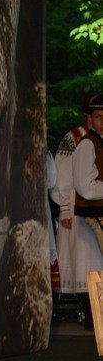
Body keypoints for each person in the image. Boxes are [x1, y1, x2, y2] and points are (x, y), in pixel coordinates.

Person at [51, 93, 103, 307]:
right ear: (88, 116)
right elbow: (61, 176)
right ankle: (89, 309)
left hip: (97, 205)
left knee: (96, 258)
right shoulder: (74, 138)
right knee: (85, 259)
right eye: (96, 114)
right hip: (77, 207)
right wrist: (64, 208)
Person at [71, 92, 103, 306]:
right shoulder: (87, 144)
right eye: (98, 116)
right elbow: (85, 187)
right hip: (97, 215)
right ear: (89, 119)